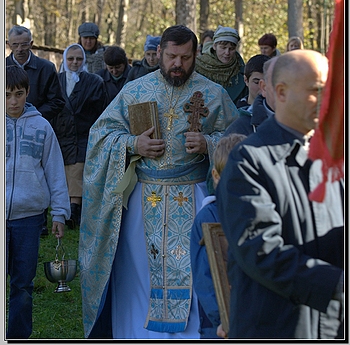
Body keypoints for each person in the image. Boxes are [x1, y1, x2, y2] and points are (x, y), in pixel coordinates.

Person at [79, 25, 239, 339]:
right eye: (170, 56)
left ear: (195, 56)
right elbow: (100, 136)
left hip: (194, 195)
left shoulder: (213, 94)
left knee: (196, 269)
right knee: (138, 272)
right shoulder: (135, 91)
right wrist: (131, 144)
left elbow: (238, 141)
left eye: (184, 57)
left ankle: (195, 334)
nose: (177, 64)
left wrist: (209, 142)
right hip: (144, 199)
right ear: (160, 54)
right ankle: (137, 334)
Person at [217, 50, 344, 339]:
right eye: (316, 91)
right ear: (282, 92)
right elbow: (261, 250)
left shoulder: (336, 158)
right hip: (276, 326)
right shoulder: (247, 161)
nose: (327, 100)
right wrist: (338, 285)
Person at [6, 65, 70, 339]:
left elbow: (55, 171)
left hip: (29, 218)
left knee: (22, 284)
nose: (13, 101)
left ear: (28, 92)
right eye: (6, 94)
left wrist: (59, 213)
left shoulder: (42, 126)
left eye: (18, 94)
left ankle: (18, 337)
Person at [6, 25, 65, 236]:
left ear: (31, 44)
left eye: (24, 44)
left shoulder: (46, 68)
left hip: (36, 124)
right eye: (15, 45)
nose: (20, 49)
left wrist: (32, 118)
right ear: (8, 45)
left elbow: (58, 101)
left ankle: (39, 222)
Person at [190, 133, 246, 339]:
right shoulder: (208, 217)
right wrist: (222, 318)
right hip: (218, 326)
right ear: (216, 176)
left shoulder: (260, 212)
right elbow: (205, 277)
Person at [51, 44, 107, 228]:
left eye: (79, 59)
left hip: (84, 136)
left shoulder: (94, 81)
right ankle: (66, 210)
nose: (75, 62)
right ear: (65, 60)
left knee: (77, 170)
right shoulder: (55, 80)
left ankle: (74, 211)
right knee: (62, 173)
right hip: (60, 135)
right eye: (71, 59)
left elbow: (101, 111)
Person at [224, 56, 278, 136]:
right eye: (256, 82)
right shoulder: (235, 115)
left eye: (267, 83)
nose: (262, 87)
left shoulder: (281, 114)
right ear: (246, 80)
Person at [195, 25, 247, 105]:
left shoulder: (240, 69)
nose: (227, 53)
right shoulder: (199, 66)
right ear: (215, 46)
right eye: (223, 47)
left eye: (231, 49)